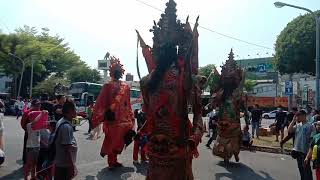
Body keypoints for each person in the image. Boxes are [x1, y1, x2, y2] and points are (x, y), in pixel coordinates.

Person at [136, 3, 204, 178]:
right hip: (156, 150)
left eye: (158, 47)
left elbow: (198, 114)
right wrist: (138, 132)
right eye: (155, 46)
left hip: (178, 149)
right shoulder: (147, 81)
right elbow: (151, 115)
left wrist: (193, 139)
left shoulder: (186, 77)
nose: (155, 50)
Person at [92, 57, 135, 169]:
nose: (116, 73)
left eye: (118, 71)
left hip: (121, 120)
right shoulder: (109, 86)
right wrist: (99, 115)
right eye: (116, 71)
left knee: (117, 140)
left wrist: (130, 116)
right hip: (112, 119)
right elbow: (102, 102)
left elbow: (126, 103)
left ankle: (114, 161)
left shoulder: (125, 87)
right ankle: (112, 162)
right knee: (112, 140)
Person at [211, 50, 249, 163]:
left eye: (230, 78)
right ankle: (226, 156)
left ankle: (235, 154)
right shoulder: (221, 93)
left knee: (235, 139)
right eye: (225, 78)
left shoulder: (237, 93)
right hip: (222, 122)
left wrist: (247, 120)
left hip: (233, 122)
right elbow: (214, 103)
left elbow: (244, 108)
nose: (228, 80)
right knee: (222, 140)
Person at [54, 98, 78, 180]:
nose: (76, 112)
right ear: (69, 112)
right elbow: (67, 149)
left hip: (61, 163)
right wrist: (72, 166)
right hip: (64, 165)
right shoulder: (66, 127)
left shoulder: (63, 121)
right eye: (75, 109)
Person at [288, 110, 314, 180]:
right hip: (297, 151)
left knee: (306, 170)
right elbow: (290, 130)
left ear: (304, 116)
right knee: (301, 169)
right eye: (297, 116)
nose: (297, 117)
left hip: (305, 151)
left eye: (299, 115)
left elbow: (312, 141)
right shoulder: (298, 125)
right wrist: (293, 120)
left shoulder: (310, 126)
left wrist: (309, 153)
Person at [24, 110, 48, 180]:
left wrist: (44, 116)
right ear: (31, 118)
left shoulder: (38, 126)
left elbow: (45, 125)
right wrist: (41, 114)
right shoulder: (29, 125)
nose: (36, 118)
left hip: (37, 146)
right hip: (30, 147)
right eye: (34, 117)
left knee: (34, 163)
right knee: (29, 164)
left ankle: (33, 176)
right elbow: (34, 122)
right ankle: (26, 177)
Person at [20, 99, 41, 165]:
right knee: (27, 147)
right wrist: (27, 130)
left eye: (39, 105)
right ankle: (26, 161)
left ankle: (35, 161)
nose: (38, 106)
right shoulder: (27, 113)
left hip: (38, 133)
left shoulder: (40, 112)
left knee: (37, 147)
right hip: (29, 133)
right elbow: (22, 123)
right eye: (36, 105)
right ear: (32, 105)